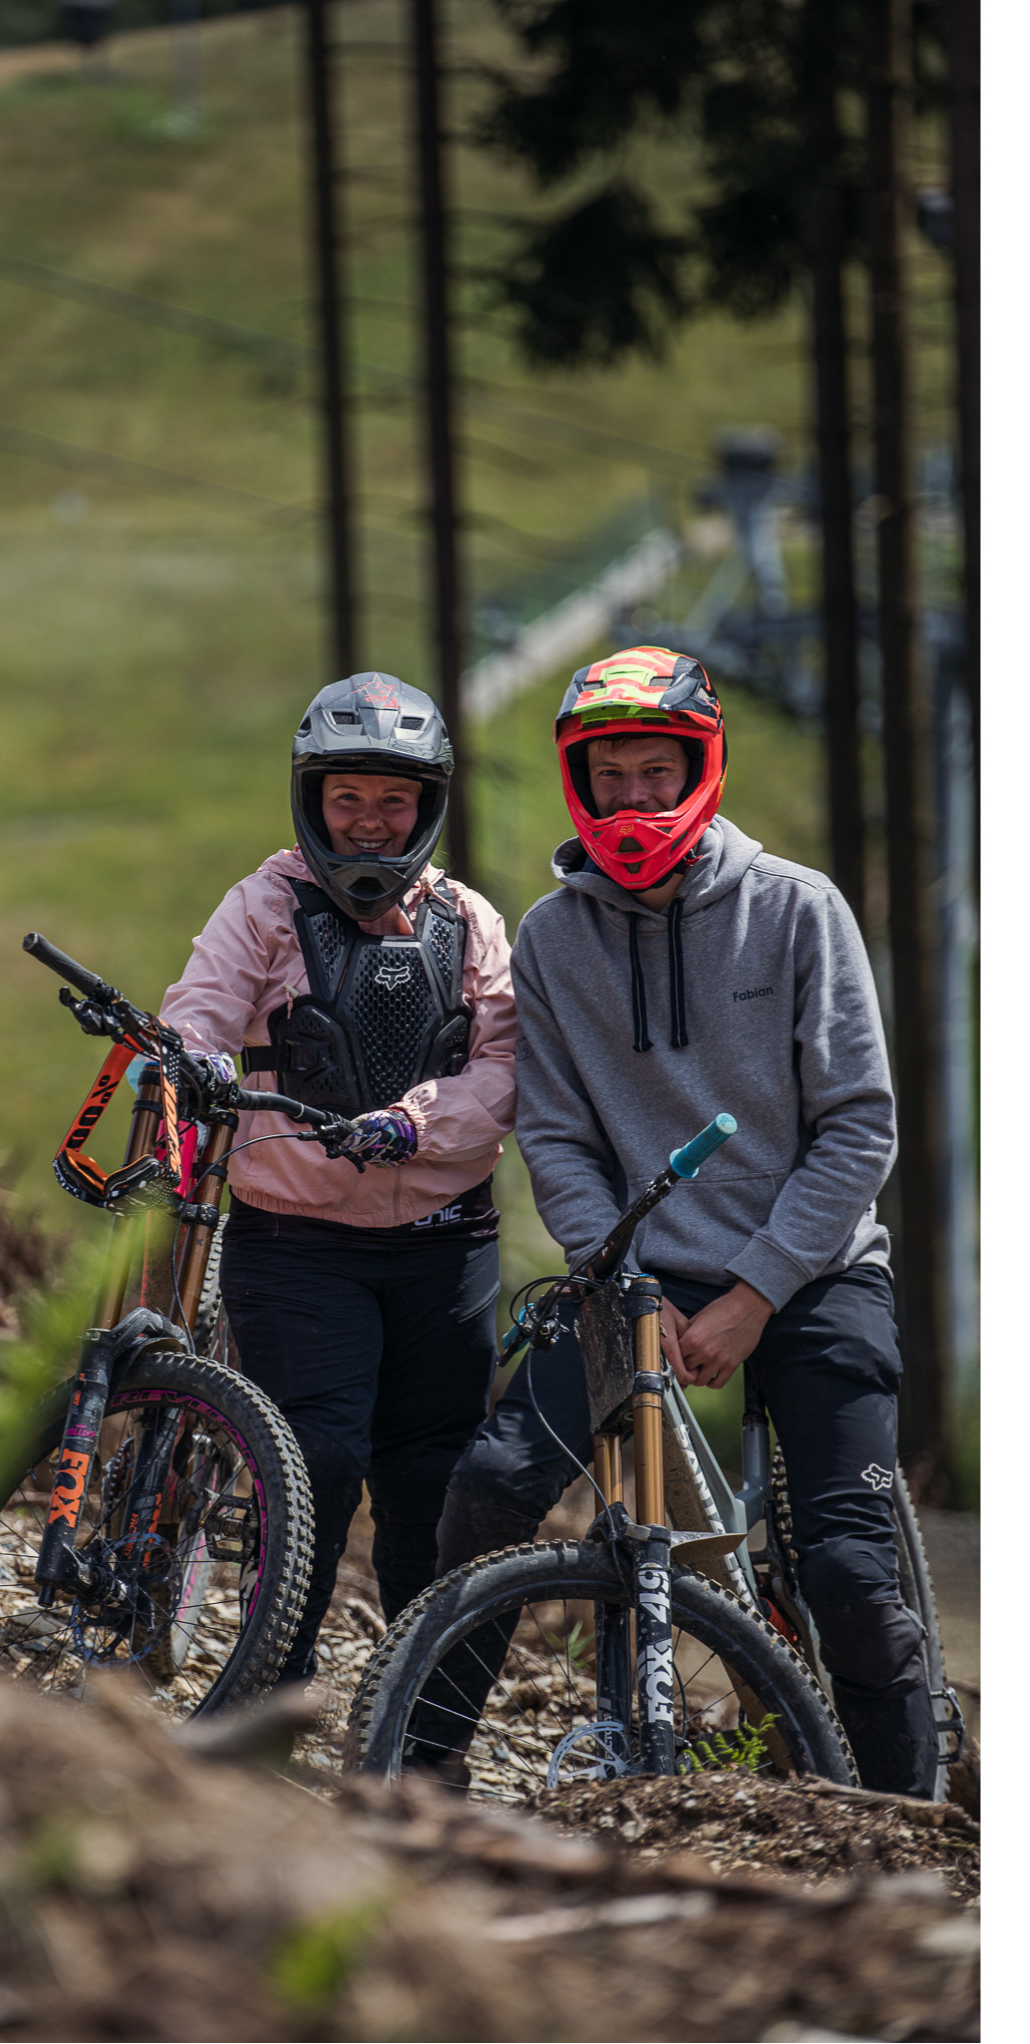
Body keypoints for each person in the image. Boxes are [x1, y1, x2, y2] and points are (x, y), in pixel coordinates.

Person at [434, 643, 940, 1797]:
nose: (630, 799)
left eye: (653, 773)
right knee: (492, 1488)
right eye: (606, 775)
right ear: (578, 780)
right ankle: (420, 1772)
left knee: (853, 1583)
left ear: (699, 769)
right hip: (631, 1281)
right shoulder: (554, 939)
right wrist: (626, 1280)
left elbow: (857, 1131)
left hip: (808, 1275)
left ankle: (902, 1819)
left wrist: (754, 1295)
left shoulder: (796, 909)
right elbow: (553, 1135)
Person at [158, 671, 517, 1684]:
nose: (367, 823)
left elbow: (503, 1067)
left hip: (445, 1247)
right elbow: (198, 1005)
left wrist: (413, 1125)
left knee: (434, 1484)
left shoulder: (469, 922)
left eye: (392, 800)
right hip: (295, 1242)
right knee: (315, 1460)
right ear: (310, 797)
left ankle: (421, 1714)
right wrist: (199, 1059)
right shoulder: (264, 903)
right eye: (345, 798)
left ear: (429, 804)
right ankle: (278, 1681)